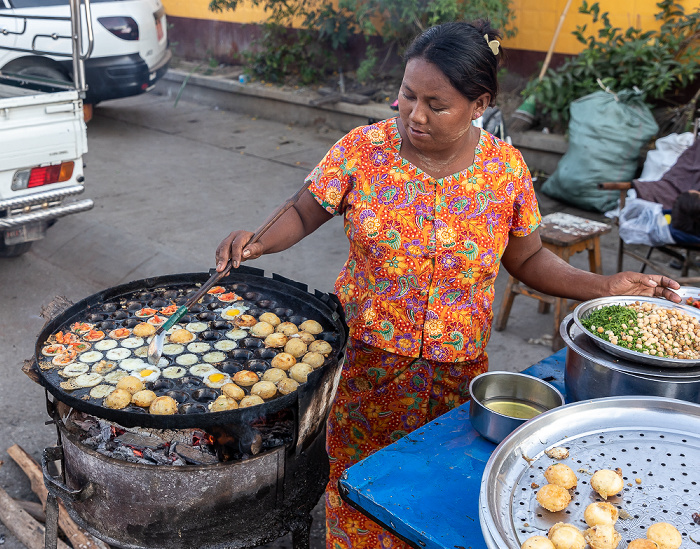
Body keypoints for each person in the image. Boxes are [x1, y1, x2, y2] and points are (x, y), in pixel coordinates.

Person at [216, 20, 681, 549]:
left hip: (455, 376)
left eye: (436, 104)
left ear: (478, 103)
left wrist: (602, 285)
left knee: (435, 501)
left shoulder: (505, 171)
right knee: (359, 486)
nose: (415, 114)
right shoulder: (362, 151)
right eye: (407, 95)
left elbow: (528, 258)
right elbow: (303, 211)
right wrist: (255, 242)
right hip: (366, 364)